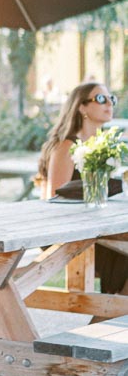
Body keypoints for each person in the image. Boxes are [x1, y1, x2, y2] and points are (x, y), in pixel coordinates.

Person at [37, 82, 127, 302]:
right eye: (100, 99)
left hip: (101, 229)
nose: (108, 104)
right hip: (71, 235)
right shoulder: (67, 146)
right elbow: (55, 200)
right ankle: (107, 323)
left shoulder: (105, 147)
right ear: (82, 107)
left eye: (111, 99)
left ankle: (109, 321)